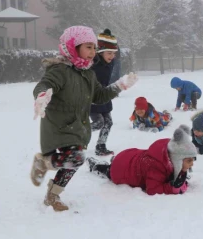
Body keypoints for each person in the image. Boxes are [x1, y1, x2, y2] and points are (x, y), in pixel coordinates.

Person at [29, 26, 138, 212]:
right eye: (88, 47)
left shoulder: (88, 73)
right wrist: (41, 96)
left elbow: (99, 96)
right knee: (76, 158)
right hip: (59, 126)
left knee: (75, 161)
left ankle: (52, 195)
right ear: (72, 46)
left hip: (77, 127)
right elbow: (44, 85)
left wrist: (119, 85)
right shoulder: (59, 70)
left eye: (94, 48)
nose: (93, 52)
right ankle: (43, 164)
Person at [87, 125, 197, 195]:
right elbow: (152, 189)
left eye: (193, 160)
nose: (192, 164)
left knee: (120, 163)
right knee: (109, 171)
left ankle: (114, 160)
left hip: (129, 156)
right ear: (177, 160)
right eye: (189, 161)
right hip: (122, 170)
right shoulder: (156, 166)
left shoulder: (171, 151)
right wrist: (171, 188)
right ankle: (96, 166)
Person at [90, 29, 118, 156]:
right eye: (109, 53)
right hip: (92, 98)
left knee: (108, 122)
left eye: (114, 53)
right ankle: (77, 134)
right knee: (98, 123)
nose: (112, 56)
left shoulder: (110, 62)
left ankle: (100, 146)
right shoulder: (92, 63)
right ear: (100, 52)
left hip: (105, 96)